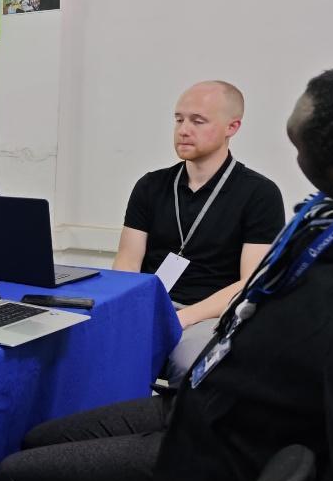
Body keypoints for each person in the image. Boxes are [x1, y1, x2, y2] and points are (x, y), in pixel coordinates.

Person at [0, 64, 333, 481]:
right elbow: (133, 270)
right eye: (178, 118)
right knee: (40, 437)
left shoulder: (306, 239)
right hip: (204, 405)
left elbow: (245, 290)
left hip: (215, 445)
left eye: (301, 143)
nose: (183, 128)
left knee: (17, 475)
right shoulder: (322, 221)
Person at [112, 81, 284, 385]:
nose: (183, 130)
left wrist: (180, 318)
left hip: (208, 316)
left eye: (198, 121)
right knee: (88, 349)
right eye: (179, 119)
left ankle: (173, 431)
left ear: (233, 126)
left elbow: (249, 283)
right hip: (149, 307)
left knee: (192, 365)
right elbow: (127, 264)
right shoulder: (150, 186)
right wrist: (130, 313)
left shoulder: (259, 193)